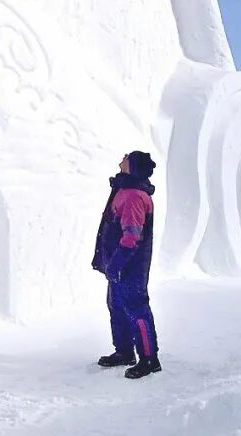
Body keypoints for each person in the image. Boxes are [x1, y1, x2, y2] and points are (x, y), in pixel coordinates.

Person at [91, 150, 161, 379]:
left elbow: (132, 236)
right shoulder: (125, 188)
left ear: (133, 166)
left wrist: (118, 262)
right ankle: (124, 351)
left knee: (136, 310)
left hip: (130, 265)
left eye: (127, 156)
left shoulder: (133, 196)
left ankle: (149, 359)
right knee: (117, 306)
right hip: (119, 265)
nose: (122, 157)